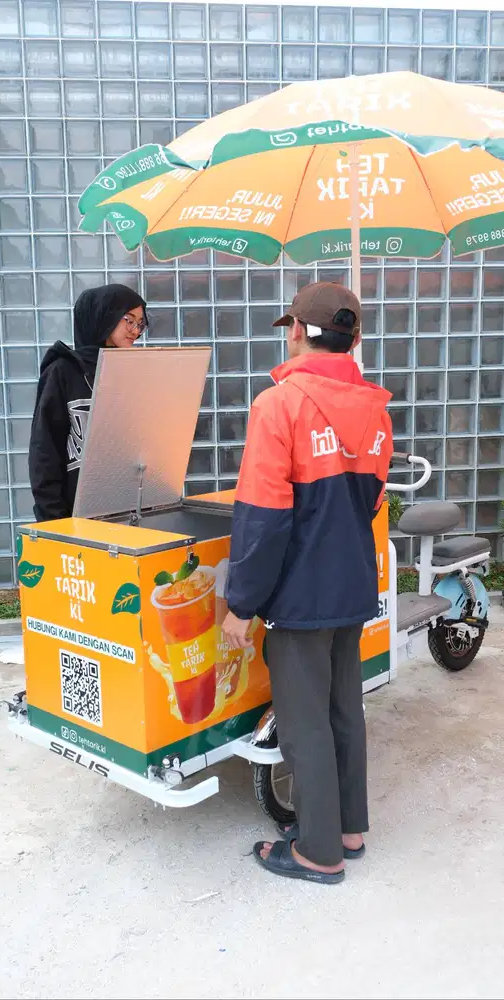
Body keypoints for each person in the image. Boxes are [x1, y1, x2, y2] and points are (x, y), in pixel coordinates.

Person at [222, 281, 393, 885]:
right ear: (355, 338)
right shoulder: (376, 408)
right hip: (351, 582)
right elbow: (371, 500)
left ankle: (318, 852)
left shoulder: (279, 404)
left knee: (303, 721)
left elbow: (262, 518)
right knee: (346, 708)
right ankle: (349, 829)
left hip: (299, 593)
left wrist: (241, 603)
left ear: (296, 331)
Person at [28, 283, 147, 522]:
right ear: (103, 316)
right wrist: (55, 521)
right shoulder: (63, 371)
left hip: (130, 515)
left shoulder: (133, 371)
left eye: (141, 324)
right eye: (129, 320)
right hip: (76, 519)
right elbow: (45, 451)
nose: (135, 330)